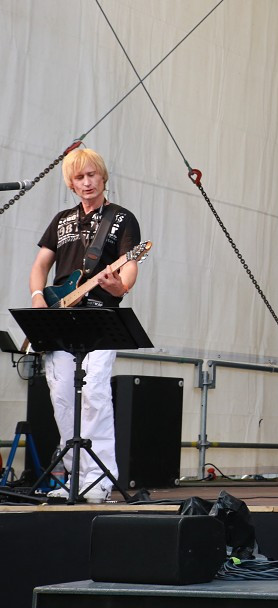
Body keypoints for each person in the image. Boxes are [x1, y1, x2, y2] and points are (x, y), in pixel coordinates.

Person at [29, 147, 141, 503]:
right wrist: (36, 296)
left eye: (92, 174)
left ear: (103, 177)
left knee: (94, 394)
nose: (87, 182)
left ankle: (100, 481)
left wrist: (120, 286)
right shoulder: (61, 219)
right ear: (71, 184)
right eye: (80, 177)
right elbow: (41, 264)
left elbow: (130, 263)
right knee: (62, 397)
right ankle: (73, 478)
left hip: (100, 315)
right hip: (60, 315)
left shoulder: (121, 218)